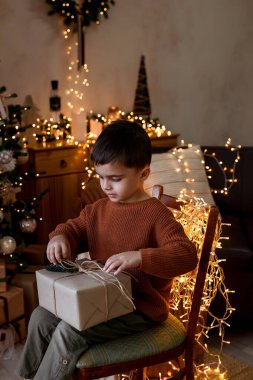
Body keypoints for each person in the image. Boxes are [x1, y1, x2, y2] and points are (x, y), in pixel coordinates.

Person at [17, 120, 197, 380]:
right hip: (99, 298)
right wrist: (60, 237)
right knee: (41, 316)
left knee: (70, 332)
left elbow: (186, 254)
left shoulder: (156, 215)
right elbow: (73, 228)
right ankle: (27, 376)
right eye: (101, 177)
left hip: (139, 309)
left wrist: (139, 257)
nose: (106, 186)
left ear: (143, 174)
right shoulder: (98, 210)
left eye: (115, 178)